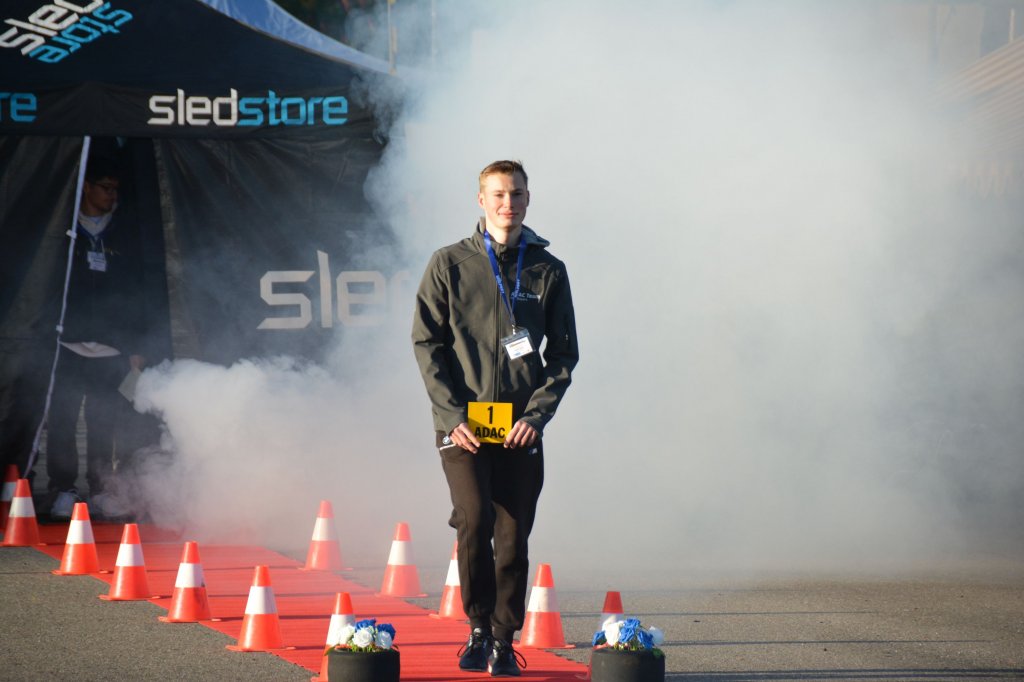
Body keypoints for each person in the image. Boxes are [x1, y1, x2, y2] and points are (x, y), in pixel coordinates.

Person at [412, 160, 579, 677]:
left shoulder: (548, 269)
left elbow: (564, 355)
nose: (509, 203)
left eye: (517, 194)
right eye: (499, 194)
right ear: (481, 200)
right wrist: (450, 414)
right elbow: (427, 344)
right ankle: (478, 629)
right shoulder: (449, 263)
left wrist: (537, 416)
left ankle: (505, 641)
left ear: (529, 199)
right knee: (474, 520)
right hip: (462, 427)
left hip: (519, 428)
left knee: (512, 536)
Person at [45, 156, 147, 521]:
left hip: (111, 347)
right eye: (105, 188)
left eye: (116, 189)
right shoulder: (62, 228)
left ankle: (100, 488)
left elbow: (138, 290)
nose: (111, 195)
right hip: (67, 344)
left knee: (103, 422)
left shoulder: (123, 231)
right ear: (86, 187)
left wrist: (136, 346)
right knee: (62, 420)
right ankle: (63, 488)